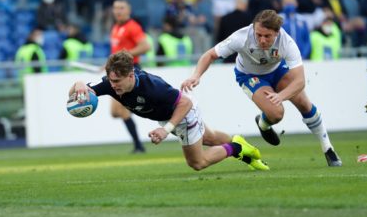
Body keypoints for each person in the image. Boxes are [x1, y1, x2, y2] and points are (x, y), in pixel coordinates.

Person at [181, 9, 342, 167]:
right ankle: (264, 123)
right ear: (253, 29)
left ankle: (328, 149)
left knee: (304, 103)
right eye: (258, 35)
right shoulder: (241, 37)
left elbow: (300, 81)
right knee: (277, 113)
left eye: (267, 36)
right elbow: (210, 55)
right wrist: (196, 75)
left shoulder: (287, 43)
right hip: (250, 76)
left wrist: (281, 96)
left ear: (277, 33)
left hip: (278, 70)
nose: (262, 40)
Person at [69, 51, 269, 171]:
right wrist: (78, 84)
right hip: (167, 117)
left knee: (197, 163)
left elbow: (185, 104)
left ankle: (237, 149)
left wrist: (166, 130)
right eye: (110, 81)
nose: (113, 86)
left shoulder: (152, 86)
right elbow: (79, 93)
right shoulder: (110, 84)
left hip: (182, 113)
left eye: (117, 81)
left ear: (130, 75)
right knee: (210, 137)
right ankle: (239, 144)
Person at [109, 0, 151, 153]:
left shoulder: (133, 27)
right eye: (115, 8)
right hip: (117, 71)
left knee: (121, 110)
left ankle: (138, 146)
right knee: (115, 112)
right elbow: (116, 52)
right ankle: (139, 144)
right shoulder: (115, 27)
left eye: (121, 8)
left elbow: (145, 46)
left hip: (129, 71)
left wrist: (122, 55)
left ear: (128, 10)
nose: (118, 11)